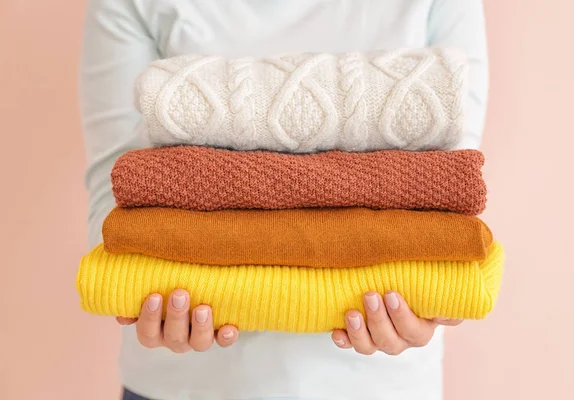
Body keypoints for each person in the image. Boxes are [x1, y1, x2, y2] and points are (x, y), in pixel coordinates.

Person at [79, 1, 488, 399]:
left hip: (380, 388)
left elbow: (445, 202)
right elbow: (118, 197)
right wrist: (146, 287)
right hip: (182, 387)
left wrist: (436, 294)